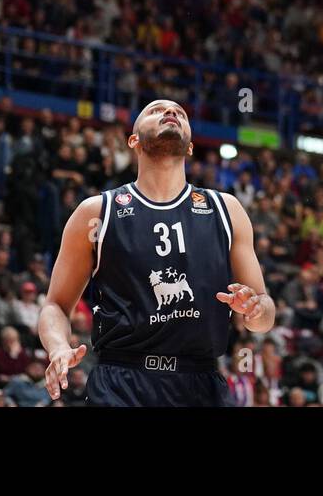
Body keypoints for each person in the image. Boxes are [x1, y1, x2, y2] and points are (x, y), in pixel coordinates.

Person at [39, 99, 275, 406]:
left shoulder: (226, 210)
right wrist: (58, 347)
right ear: (133, 140)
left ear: (190, 147)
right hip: (122, 382)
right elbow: (55, 305)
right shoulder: (97, 213)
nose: (171, 112)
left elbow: (266, 311)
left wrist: (255, 310)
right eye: (155, 110)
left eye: (180, 112)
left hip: (201, 383)